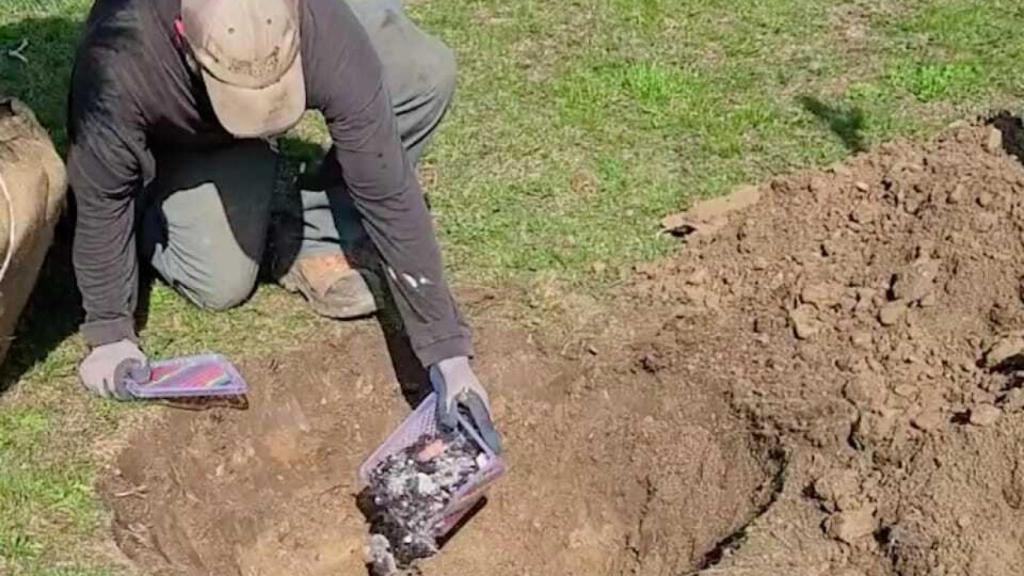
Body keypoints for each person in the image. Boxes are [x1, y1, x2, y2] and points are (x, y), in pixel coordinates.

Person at [66, 0, 500, 451]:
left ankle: (312, 228)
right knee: (219, 282)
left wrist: (448, 357)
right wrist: (110, 331)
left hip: (306, 39)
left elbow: (389, 190)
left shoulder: (321, 26)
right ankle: (196, 189)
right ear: (182, 37)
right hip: (190, 136)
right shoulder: (122, 60)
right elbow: (100, 198)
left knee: (420, 71)